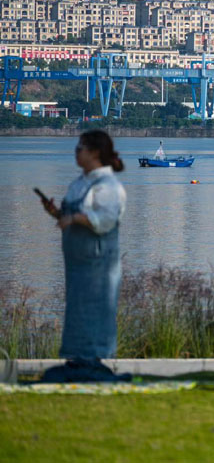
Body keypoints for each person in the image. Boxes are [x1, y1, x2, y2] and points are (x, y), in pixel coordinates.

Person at [39, 130, 128, 383]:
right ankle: (77, 358)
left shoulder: (108, 186)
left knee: (96, 308)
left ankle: (94, 359)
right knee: (76, 309)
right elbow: (70, 218)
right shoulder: (80, 182)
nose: (75, 152)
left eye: (80, 148)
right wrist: (56, 213)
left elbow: (105, 220)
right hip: (77, 262)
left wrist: (74, 217)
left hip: (97, 262)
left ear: (95, 153)